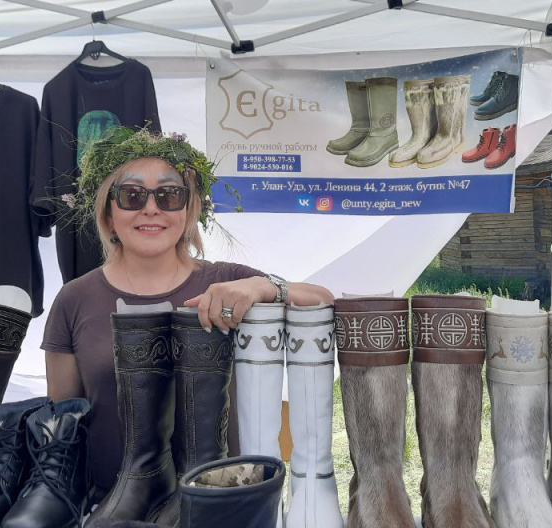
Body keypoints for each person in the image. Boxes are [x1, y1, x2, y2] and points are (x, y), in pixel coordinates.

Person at [41, 127, 334, 504]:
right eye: (132, 196)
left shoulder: (227, 280)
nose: (151, 208)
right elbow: (64, 419)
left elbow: (323, 301)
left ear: (188, 210)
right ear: (109, 215)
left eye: (169, 195)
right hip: (109, 504)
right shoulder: (75, 298)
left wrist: (261, 287)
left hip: (222, 505)